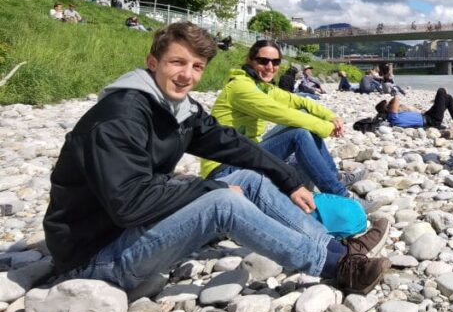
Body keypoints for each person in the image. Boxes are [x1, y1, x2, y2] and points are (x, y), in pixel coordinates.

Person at [42, 22, 389, 295]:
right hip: (96, 256)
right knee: (222, 201)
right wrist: (205, 190)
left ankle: (337, 248)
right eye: (177, 62)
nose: (187, 75)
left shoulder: (177, 108)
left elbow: (231, 144)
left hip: (130, 228)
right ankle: (338, 269)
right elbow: (129, 203)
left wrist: (288, 178)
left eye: (197, 66)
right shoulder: (119, 118)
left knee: (250, 180)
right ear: (152, 63)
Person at [204, 41, 362, 199]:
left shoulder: (262, 87)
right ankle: (342, 197)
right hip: (225, 168)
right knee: (299, 133)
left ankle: (334, 178)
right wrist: (326, 128)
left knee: (303, 119)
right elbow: (282, 114)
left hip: (247, 152)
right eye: (263, 61)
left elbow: (300, 102)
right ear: (249, 60)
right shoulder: (240, 87)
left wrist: (331, 116)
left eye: (276, 62)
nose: (270, 67)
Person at [374, 88, 453, 130]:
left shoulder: (394, 116)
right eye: (388, 105)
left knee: (448, 98)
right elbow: (397, 98)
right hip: (431, 121)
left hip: (427, 116)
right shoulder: (392, 117)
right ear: (387, 109)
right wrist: (393, 99)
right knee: (441, 91)